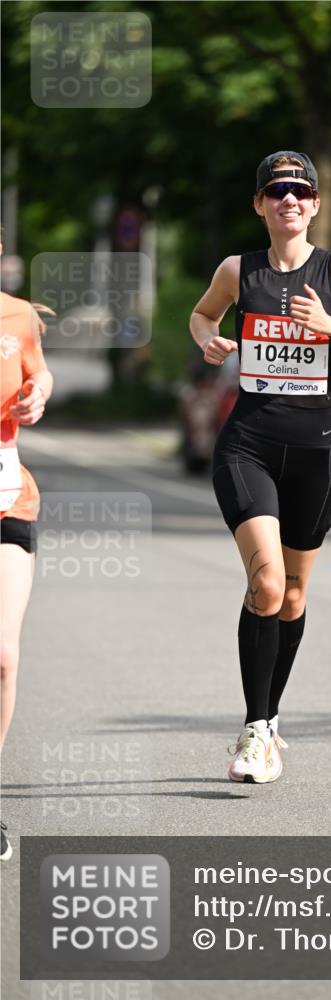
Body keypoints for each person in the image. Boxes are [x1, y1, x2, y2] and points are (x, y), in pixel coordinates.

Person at [189, 151, 331, 783]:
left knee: (297, 595)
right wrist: (208, 340)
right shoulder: (238, 270)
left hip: (315, 451)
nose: (290, 201)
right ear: (259, 204)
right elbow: (202, 315)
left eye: (301, 192)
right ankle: (253, 733)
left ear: (313, 205)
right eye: (277, 191)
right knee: (270, 586)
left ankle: (271, 719)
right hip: (248, 443)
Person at [0, 256, 54, 859]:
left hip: (8, 499)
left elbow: (40, 372)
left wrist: (37, 392)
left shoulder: (15, 315)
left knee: (3, 656)